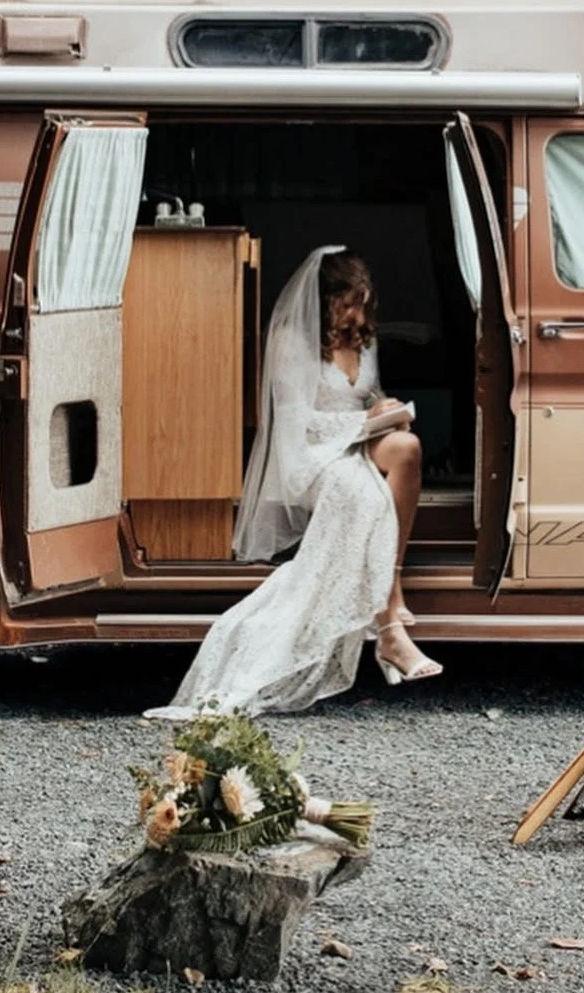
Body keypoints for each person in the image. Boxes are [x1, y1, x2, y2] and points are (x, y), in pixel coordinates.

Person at [142, 244, 442, 718]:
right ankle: (388, 625)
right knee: (363, 495)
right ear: (324, 301)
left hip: (360, 436)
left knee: (408, 448)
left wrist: (386, 411)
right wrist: (366, 424)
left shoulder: (362, 338)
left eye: (364, 302)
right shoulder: (290, 340)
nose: (357, 313)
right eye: (349, 303)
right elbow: (296, 422)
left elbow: (370, 393)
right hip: (313, 453)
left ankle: (393, 582)